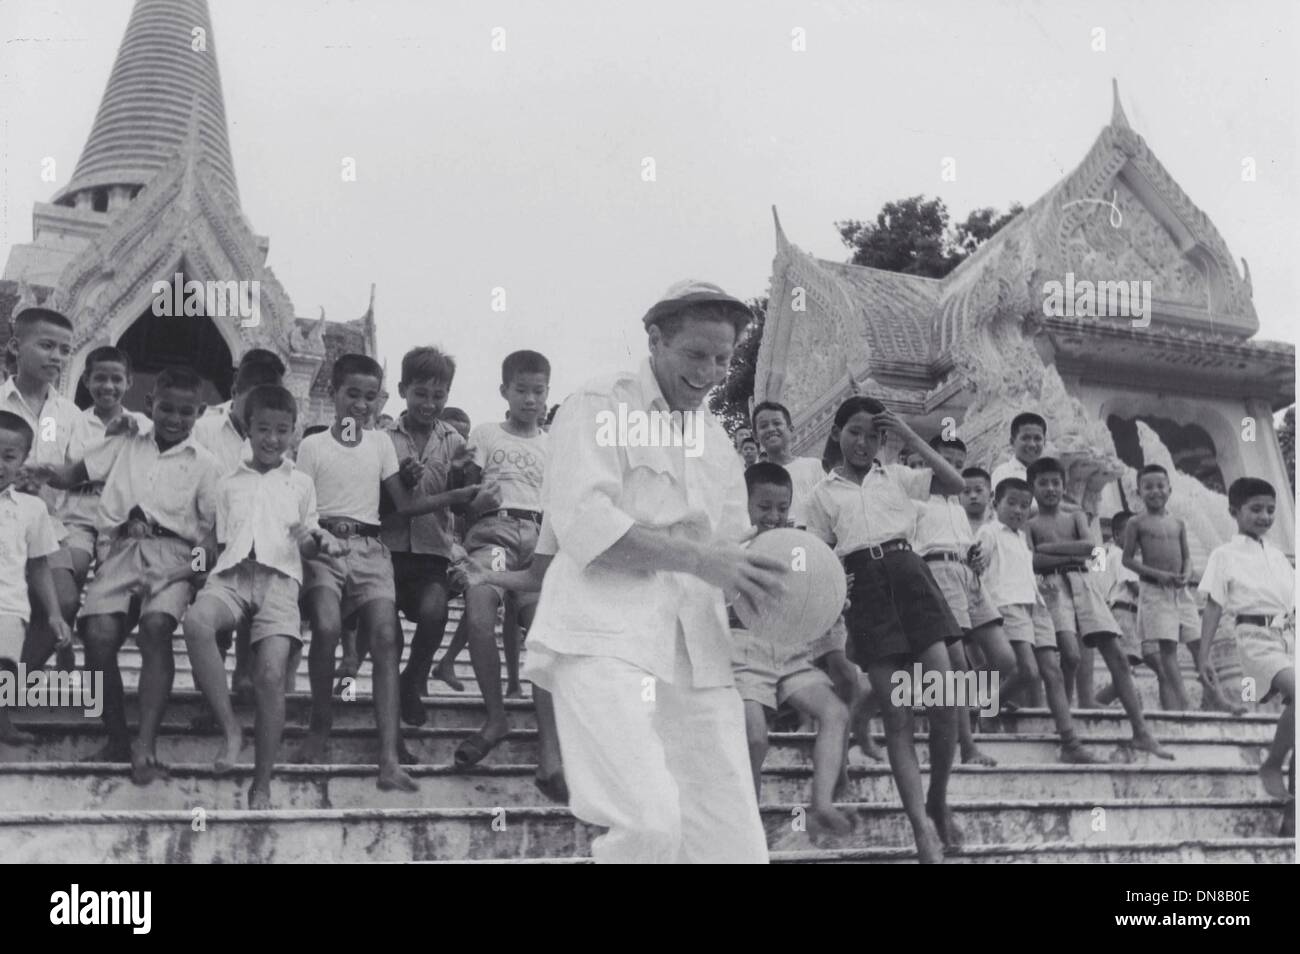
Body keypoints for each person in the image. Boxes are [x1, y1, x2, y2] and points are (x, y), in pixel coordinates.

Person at [524, 279, 788, 864]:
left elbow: (730, 550)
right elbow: (584, 524)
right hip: (603, 639)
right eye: (695, 355)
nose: (710, 372)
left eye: (723, 359)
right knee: (648, 828)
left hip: (696, 652)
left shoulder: (717, 439)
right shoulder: (598, 404)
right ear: (654, 339)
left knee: (736, 849)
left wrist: (782, 589)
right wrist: (698, 558)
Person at [294, 353, 480, 791]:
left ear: (380, 398)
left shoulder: (381, 445)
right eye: (352, 395)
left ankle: (388, 758)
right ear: (333, 394)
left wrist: (459, 492)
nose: (361, 405)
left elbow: (406, 505)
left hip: (374, 548)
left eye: (369, 397)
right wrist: (312, 544)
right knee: (324, 627)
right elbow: (298, 506)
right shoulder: (312, 445)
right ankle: (319, 727)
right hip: (325, 544)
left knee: (385, 638)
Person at [33, 366, 222, 783]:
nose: (174, 419)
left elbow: (212, 535)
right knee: (98, 635)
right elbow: (74, 475)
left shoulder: (207, 464)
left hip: (175, 553)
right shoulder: (127, 440)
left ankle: (146, 746)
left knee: (156, 628)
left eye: (185, 412)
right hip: (120, 548)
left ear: (200, 412)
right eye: (166, 408)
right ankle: (116, 736)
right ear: (150, 403)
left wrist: (192, 575)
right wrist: (42, 474)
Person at [805, 395, 966, 862]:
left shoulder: (897, 475)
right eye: (855, 432)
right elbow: (817, 555)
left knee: (946, 699)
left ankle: (938, 797)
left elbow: (954, 482)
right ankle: (921, 828)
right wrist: (839, 581)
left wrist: (910, 436)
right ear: (838, 434)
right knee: (897, 716)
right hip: (867, 592)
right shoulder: (822, 494)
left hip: (911, 576)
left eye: (874, 434)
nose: (864, 442)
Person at [182, 385, 342, 806]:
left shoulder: (301, 483)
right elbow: (215, 542)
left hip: (279, 581)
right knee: (197, 623)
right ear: (247, 429)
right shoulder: (228, 482)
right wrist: (187, 573)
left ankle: (262, 782)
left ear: (294, 431)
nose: (273, 438)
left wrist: (316, 542)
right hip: (232, 576)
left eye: (282, 430)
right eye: (264, 429)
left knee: (270, 677)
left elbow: (307, 541)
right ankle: (232, 729)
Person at [754, 399, 881, 765]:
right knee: (795, 657)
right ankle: (808, 724)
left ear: (791, 429)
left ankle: (854, 729)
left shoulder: (812, 468)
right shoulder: (757, 475)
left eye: (777, 423)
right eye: (763, 426)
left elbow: (831, 512)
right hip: (781, 577)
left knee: (840, 664)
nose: (771, 430)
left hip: (819, 572)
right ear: (757, 435)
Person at [733, 462, 852, 834]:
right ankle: (747, 825)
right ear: (745, 504)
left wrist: (832, 599)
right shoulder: (733, 545)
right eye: (764, 507)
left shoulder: (797, 548)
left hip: (788, 651)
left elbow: (812, 596)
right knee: (754, 737)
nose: (774, 516)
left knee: (835, 713)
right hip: (744, 654)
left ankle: (821, 805)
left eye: (782, 508)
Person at [1026, 457, 1171, 758]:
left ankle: (1141, 731)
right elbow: (1034, 561)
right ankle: (1066, 729)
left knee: (1117, 654)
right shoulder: (1030, 523)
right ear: (1033, 488)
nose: (1051, 488)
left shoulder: (1076, 515)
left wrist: (1048, 549)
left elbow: (1091, 550)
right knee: (1069, 654)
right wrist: (1066, 553)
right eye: (1043, 483)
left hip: (1085, 584)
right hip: (1052, 587)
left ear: (1064, 485)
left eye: (1056, 482)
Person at [452, 350, 550, 766]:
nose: (530, 399)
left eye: (538, 391)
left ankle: (550, 743)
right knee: (478, 607)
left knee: (546, 633)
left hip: (540, 541)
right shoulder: (487, 434)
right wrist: (473, 499)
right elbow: (463, 501)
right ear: (504, 391)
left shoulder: (555, 444)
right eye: (521, 390)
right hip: (496, 534)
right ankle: (496, 718)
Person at [377, 346, 470, 727]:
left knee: (435, 612)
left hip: (433, 552)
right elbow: (374, 501)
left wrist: (471, 485)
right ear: (402, 390)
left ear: (448, 395)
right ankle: (391, 701)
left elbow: (464, 504)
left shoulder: (455, 443)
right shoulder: (381, 438)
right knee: (391, 636)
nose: (429, 404)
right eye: (420, 394)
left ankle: (412, 679)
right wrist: (400, 483)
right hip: (385, 552)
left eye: (439, 395)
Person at [976, 478, 1096, 761]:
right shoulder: (989, 531)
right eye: (1011, 504)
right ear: (995, 504)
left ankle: (1070, 743)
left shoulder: (1022, 536)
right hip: (1008, 605)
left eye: (1023, 505)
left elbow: (1091, 555)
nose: (1018, 510)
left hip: (1036, 606)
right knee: (1027, 672)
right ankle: (989, 708)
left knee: (1051, 672)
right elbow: (977, 568)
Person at [1198, 477, 1294, 799]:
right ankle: (1272, 763)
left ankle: (1292, 819)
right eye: (1256, 509)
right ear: (1234, 511)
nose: (1265, 517)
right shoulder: (1224, 555)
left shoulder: (1280, 557)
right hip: (1254, 635)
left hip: (1289, 635)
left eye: (1270, 510)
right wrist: (1202, 655)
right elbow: (1213, 606)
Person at [2, 307, 86, 674]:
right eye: (47, 345)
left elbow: (77, 474)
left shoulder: (68, 414)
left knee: (64, 603)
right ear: (16, 346)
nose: (57, 357)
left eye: (65, 350)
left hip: (45, 527)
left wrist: (49, 474)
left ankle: (5, 695)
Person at [906, 438, 998, 766]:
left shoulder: (960, 509)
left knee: (1003, 657)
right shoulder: (917, 503)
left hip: (968, 578)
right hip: (938, 575)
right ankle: (966, 743)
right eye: (946, 461)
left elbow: (972, 546)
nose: (952, 469)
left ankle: (980, 712)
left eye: (959, 463)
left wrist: (977, 556)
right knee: (957, 664)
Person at [0, 411, 73, 744]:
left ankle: (2, 723)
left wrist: (55, 614)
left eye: (8, 456)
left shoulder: (32, 509)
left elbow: (40, 565)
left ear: (23, 461)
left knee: (4, 666)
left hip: (9, 605)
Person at [1121, 464, 1197, 711]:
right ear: (1138, 492)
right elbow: (1127, 559)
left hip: (1180, 591)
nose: (1155, 491)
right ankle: (1184, 703)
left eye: (1160, 486)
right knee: (1167, 650)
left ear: (1169, 489)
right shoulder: (1135, 522)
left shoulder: (1178, 522)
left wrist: (1186, 573)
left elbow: (1186, 556)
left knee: (1197, 642)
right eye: (1148, 487)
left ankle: (1214, 692)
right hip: (1153, 591)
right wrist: (1159, 575)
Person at [1093, 511, 1163, 708]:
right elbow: (1134, 586)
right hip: (1124, 613)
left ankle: (1099, 703)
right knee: (1124, 668)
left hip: (1121, 613)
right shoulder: (1123, 556)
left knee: (1124, 668)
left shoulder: (1107, 554)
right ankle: (1097, 702)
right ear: (1116, 535)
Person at [989, 412, 1046, 491]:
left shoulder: (1050, 473)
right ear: (1012, 442)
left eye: (1037, 438)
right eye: (1025, 438)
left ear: (1044, 442)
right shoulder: (1002, 473)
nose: (1032, 445)